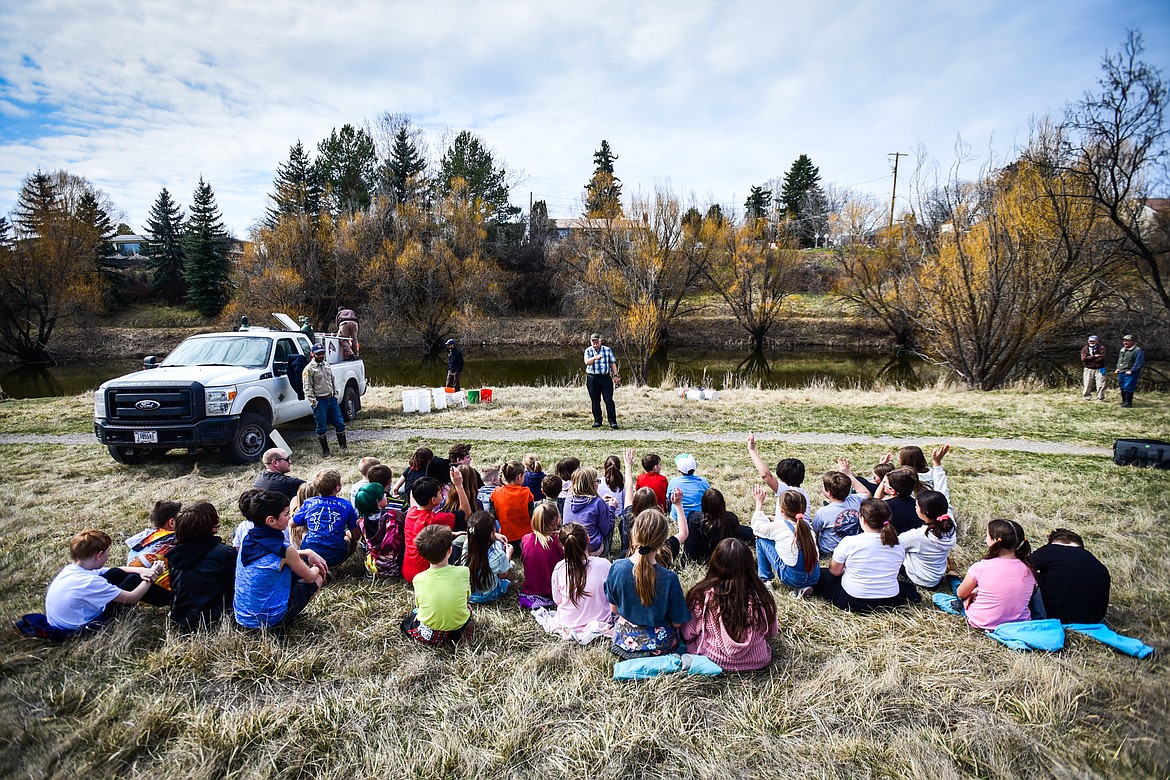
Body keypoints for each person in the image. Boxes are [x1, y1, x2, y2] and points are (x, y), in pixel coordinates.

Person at [233, 490, 326, 631]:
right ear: (271, 520)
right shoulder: (285, 550)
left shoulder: (248, 538)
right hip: (270, 622)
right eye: (286, 514)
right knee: (318, 577)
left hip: (242, 618)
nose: (290, 518)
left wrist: (306, 552)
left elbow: (274, 555)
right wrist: (318, 566)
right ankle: (286, 620)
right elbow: (310, 577)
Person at [44, 529, 168, 633]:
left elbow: (116, 570)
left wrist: (141, 571)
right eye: (108, 552)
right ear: (99, 555)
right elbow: (132, 597)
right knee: (133, 581)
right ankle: (174, 600)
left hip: (66, 622)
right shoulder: (90, 582)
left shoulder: (72, 570)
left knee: (116, 573)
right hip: (81, 630)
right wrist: (154, 574)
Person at [682, 538, 779, 671]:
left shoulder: (703, 596)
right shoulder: (760, 595)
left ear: (715, 563)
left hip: (713, 659)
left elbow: (688, 633)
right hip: (758, 660)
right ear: (749, 565)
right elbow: (772, 631)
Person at [604, 510, 689, 658]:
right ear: (663, 541)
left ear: (634, 534)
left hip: (625, 640)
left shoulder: (616, 568)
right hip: (660, 646)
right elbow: (677, 623)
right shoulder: (669, 578)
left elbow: (615, 609)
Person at [812, 498, 909, 613]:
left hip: (854, 601)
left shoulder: (850, 542)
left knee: (822, 575)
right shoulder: (899, 542)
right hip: (890, 601)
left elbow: (834, 571)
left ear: (862, 520)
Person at [533, 523, 615, 642]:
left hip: (568, 622)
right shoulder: (604, 565)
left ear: (563, 547)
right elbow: (613, 595)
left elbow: (557, 600)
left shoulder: (559, 568)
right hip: (601, 619)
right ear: (588, 538)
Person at [950, 519, 1037, 630]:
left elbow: (961, 594)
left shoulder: (981, 567)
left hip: (982, 622)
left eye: (987, 535)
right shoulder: (1029, 569)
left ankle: (952, 577)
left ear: (995, 540)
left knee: (945, 594)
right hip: (1018, 623)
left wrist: (974, 591)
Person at [167, 502, 236, 630]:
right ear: (212, 527)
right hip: (215, 621)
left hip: (181, 621)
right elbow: (236, 586)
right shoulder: (225, 553)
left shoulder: (173, 555)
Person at [401, 524, 473, 647]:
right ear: (450, 550)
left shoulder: (418, 579)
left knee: (406, 623)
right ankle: (463, 635)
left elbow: (419, 605)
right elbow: (466, 598)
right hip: (457, 629)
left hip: (430, 634)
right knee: (468, 616)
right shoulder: (463, 571)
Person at [1031, 528, 1111, 624]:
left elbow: (1020, 566)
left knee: (1028, 576)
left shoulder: (1052, 549)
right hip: (1093, 620)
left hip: (1055, 618)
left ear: (1053, 541)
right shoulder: (1097, 564)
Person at [402, 472, 469, 584]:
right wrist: (459, 486)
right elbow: (466, 513)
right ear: (433, 500)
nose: (442, 494)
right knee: (461, 542)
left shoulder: (411, 512)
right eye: (440, 493)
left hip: (408, 572)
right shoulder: (435, 519)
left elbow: (423, 532)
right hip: (427, 575)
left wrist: (451, 533)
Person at [752, 487, 820, 595]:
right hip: (814, 576)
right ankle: (802, 588)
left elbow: (757, 529)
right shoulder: (808, 527)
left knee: (761, 539)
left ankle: (765, 580)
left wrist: (759, 504)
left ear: (782, 511)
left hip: (792, 577)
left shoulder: (779, 527)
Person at [291, 468, 360, 569]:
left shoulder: (309, 503)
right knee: (350, 539)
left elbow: (292, 524)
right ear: (338, 487)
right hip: (336, 556)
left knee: (304, 532)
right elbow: (356, 536)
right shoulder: (347, 505)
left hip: (309, 554)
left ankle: (313, 565)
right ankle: (331, 567)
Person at [898, 490, 957, 590]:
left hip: (918, 580)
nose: (915, 507)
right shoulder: (951, 526)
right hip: (936, 579)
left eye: (916, 506)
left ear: (926, 512)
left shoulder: (917, 536)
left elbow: (894, 545)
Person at [810, 463, 871, 558]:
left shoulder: (822, 513)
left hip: (830, 552)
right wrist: (848, 474)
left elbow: (815, 533)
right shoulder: (856, 500)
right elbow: (866, 492)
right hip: (855, 548)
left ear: (829, 492)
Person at [454, 510, 514, 603]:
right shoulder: (498, 555)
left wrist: (495, 535)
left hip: (470, 594)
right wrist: (508, 554)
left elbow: (476, 535)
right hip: (489, 595)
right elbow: (503, 575)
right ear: (491, 533)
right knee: (498, 546)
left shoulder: (467, 544)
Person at [125, 499, 180, 595]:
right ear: (172, 523)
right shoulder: (173, 538)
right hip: (152, 590)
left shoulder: (148, 536)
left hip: (130, 586)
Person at [684, 487, 753, 563]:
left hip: (703, 557)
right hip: (725, 556)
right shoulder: (731, 519)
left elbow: (690, 546)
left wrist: (686, 561)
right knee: (747, 532)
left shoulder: (695, 519)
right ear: (723, 504)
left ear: (703, 504)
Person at [353, 481, 405, 580]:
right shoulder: (395, 516)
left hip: (374, 567)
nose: (386, 496)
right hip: (395, 566)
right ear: (378, 503)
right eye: (383, 496)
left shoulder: (360, 523)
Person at [303, 342, 346, 456]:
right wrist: (314, 402)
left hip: (331, 399)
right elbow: (307, 387)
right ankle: (326, 451)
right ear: (312, 354)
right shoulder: (309, 369)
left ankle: (344, 448)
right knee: (321, 426)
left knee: (340, 423)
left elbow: (332, 380)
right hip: (319, 401)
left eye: (322, 353)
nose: (320, 356)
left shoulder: (326, 365)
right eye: (318, 354)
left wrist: (335, 394)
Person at [562, 466, 616, 555]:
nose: (598, 484)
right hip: (591, 548)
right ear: (591, 484)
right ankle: (607, 554)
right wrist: (611, 508)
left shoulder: (568, 499)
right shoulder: (598, 503)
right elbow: (606, 530)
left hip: (570, 546)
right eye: (597, 481)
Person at [519, 503, 564, 609]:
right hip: (555, 591)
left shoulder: (526, 539)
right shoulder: (560, 541)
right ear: (557, 520)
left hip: (532, 590)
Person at [490, 461, 535, 553]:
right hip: (526, 536)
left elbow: (493, 515)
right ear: (519, 477)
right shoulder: (526, 493)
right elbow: (532, 515)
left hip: (506, 537)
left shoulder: (495, 493)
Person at [583, 333, 620, 429]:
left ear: (600, 341)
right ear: (591, 342)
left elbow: (612, 363)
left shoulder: (607, 350)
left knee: (608, 400)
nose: (595, 343)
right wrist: (595, 358)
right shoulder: (588, 350)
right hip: (592, 378)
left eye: (597, 341)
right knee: (595, 400)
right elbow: (587, 362)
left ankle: (612, 421)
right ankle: (597, 421)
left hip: (605, 378)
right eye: (593, 342)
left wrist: (615, 376)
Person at [666, 453, 710, 518]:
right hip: (699, 517)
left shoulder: (673, 482)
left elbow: (669, 498)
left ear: (679, 470)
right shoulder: (703, 481)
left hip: (677, 517)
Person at [1116, 334, 1145, 408]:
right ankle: (1124, 401)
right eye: (1124, 341)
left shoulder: (1138, 350)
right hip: (1121, 371)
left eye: (1127, 341)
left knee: (1128, 387)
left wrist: (1132, 370)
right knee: (1122, 386)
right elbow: (1120, 360)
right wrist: (1118, 368)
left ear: (1132, 341)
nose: (1125, 342)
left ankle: (1128, 403)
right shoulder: (1122, 350)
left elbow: (1139, 363)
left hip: (1130, 372)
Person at [1080, 335, 1107, 401]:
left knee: (1101, 384)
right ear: (1088, 341)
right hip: (1088, 368)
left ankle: (1100, 398)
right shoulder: (1085, 349)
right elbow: (1083, 359)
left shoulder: (1101, 348)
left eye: (1093, 341)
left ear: (1097, 341)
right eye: (1090, 341)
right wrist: (1094, 356)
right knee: (1087, 383)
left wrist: (1089, 359)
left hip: (1100, 368)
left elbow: (1101, 358)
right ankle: (1087, 397)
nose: (1091, 342)